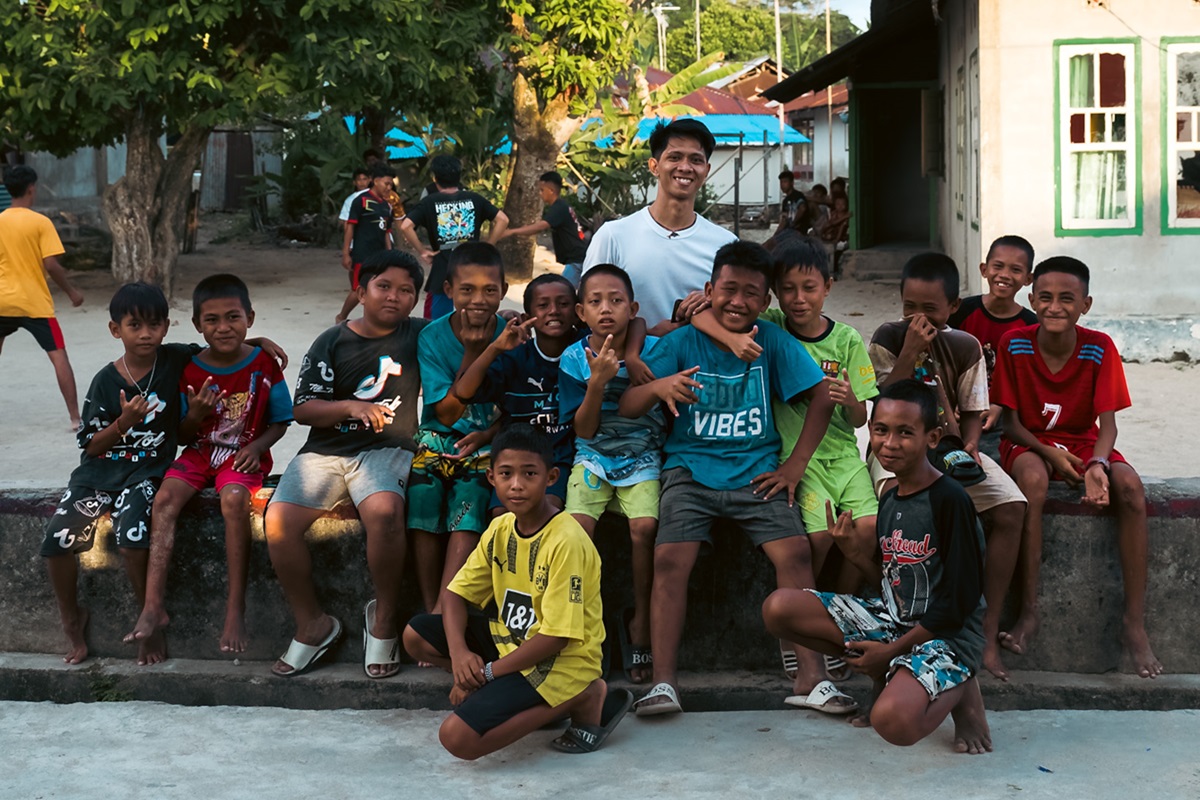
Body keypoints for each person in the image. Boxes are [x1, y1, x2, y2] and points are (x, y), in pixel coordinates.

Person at [618, 240, 836, 715]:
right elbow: (628, 405)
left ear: (766, 301)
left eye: (751, 293)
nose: (738, 301)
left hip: (758, 474)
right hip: (689, 472)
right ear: (708, 290)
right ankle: (663, 682)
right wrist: (658, 386)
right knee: (671, 559)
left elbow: (822, 397)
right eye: (728, 289)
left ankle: (812, 678)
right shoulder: (681, 342)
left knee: (795, 550)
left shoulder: (772, 342)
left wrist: (794, 466)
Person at [762, 380, 992, 755]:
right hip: (895, 622)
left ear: (932, 437)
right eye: (881, 430)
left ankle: (963, 688)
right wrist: (854, 555)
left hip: (947, 635)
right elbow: (891, 586)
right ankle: (891, 673)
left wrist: (888, 654)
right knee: (779, 609)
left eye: (905, 432)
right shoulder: (890, 497)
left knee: (894, 723)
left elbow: (960, 601)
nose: (890, 443)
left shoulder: (950, 500)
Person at [692, 237, 878, 689]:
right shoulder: (769, 324)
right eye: (789, 289)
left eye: (809, 288)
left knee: (866, 533)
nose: (799, 299)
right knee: (814, 539)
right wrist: (716, 319)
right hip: (797, 459)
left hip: (843, 457)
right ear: (775, 294)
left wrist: (851, 401)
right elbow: (706, 315)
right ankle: (800, 630)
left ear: (828, 288)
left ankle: (841, 620)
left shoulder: (848, 339)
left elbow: (861, 416)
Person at [402, 424, 631, 759]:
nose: (517, 485)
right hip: (510, 642)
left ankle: (581, 696)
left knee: (457, 739)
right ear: (491, 477)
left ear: (551, 477)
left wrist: (488, 673)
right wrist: (461, 658)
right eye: (506, 474)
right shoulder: (500, 527)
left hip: (560, 661)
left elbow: (555, 638)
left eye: (529, 474)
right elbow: (454, 595)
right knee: (414, 635)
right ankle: (503, 691)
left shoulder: (566, 540)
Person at [992, 256, 1161, 679]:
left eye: (1067, 299)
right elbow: (1010, 422)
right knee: (1032, 481)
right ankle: (1029, 611)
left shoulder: (1098, 345)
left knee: (1131, 490)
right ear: (1031, 300)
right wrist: (1049, 453)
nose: (1054, 307)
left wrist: (1098, 464)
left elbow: (1108, 425)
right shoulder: (1014, 343)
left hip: (1086, 445)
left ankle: (1134, 624)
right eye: (1045, 298)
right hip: (1029, 444)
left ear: (1085, 304)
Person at [264, 251, 426, 679]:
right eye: (383, 286)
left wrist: (503, 317)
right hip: (325, 451)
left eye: (406, 290)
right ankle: (312, 623)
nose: (394, 297)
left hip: (386, 449)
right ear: (361, 292)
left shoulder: (419, 335)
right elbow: (304, 409)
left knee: (386, 513)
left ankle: (385, 616)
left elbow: (464, 334)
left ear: (415, 300)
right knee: (277, 522)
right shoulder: (333, 340)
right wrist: (350, 406)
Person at [868, 252, 1027, 681]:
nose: (917, 317)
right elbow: (884, 400)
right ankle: (898, 628)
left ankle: (986, 628)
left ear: (953, 307)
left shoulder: (964, 344)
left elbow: (973, 408)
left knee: (1012, 506)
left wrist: (972, 444)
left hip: (950, 447)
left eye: (930, 310)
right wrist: (912, 349)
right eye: (909, 308)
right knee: (897, 509)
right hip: (897, 448)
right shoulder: (887, 337)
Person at [122, 274, 292, 657]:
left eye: (233, 317)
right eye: (211, 320)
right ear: (198, 326)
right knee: (164, 501)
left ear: (249, 316)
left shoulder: (263, 363)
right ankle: (152, 605)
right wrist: (195, 415)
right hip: (199, 453)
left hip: (244, 453)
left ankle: (235, 608)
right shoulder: (190, 368)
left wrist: (261, 445)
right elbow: (183, 436)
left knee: (233, 500)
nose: (223, 327)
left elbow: (282, 420)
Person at [559, 264, 667, 684]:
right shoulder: (574, 358)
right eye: (596, 302)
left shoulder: (653, 351)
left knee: (645, 528)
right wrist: (597, 384)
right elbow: (583, 430)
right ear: (581, 312)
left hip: (643, 455)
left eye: (616, 300)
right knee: (575, 531)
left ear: (632, 307)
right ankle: (582, 624)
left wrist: (633, 355)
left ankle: (641, 619)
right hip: (592, 456)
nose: (607, 309)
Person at [408, 243, 506, 616]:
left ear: (504, 290)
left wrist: (488, 435)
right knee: (422, 497)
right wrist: (472, 351)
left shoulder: (512, 336)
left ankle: (443, 611)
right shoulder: (432, 338)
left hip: (490, 441)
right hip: (438, 437)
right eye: (467, 290)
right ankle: (429, 598)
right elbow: (446, 415)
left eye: (489, 290)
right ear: (448, 289)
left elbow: (518, 407)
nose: (478, 300)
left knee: (471, 500)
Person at [581, 119, 736, 335]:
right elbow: (590, 311)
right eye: (674, 157)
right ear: (654, 166)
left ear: (706, 170)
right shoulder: (613, 236)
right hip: (627, 367)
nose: (685, 167)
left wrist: (712, 300)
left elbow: (737, 310)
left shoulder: (726, 244)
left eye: (696, 160)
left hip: (699, 367)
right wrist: (649, 336)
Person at [451, 274, 580, 514]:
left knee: (548, 511)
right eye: (542, 306)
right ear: (527, 315)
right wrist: (495, 347)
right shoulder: (515, 357)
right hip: (516, 456)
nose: (553, 311)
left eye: (563, 304)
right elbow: (463, 392)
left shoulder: (586, 349)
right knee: (502, 516)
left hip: (561, 456)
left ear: (577, 311)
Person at [0, 165, 85, 430]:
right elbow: (51, 265)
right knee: (59, 357)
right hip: (35, 303)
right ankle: (75, 419)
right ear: (31, 189)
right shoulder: (40, 223)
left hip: (2, 301)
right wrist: (71, 291)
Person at [398, 154, 509, 320]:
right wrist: (488, 246)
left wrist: (422, 251)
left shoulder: (429, 202)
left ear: (435, 179)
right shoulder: (475, 198)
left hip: (444, 265)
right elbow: (503, 219)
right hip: (473, 263)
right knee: (474, 313)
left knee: (437, 322)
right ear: (459, 177)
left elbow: (406, 226)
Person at [947, 235, 1037, 438]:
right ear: (984, 270)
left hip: (1004, 415)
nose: (1004, 275)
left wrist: (1000, 406)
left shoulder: (1032, 326)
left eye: (1015, 270)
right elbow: (942, 361)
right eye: (998, 266)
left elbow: (1028, 380)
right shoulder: (961, 312)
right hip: (956, 407)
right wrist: (950, 402)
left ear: (1027, 279)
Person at [500, 172, 588, 287]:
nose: (540, 194)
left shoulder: (559, 208)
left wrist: (512, 231)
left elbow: (541, 226)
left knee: (564, 291)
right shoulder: (562, 206)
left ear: (551, 190)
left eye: (542, 190)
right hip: (577, 258)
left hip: (577, 259)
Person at [338, 163, 396, 323]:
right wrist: (345, 252)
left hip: (381, 254)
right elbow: (350, 227)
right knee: (358, 288)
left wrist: (389, 253)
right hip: (362, 253)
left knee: (379, 287)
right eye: (386, 183)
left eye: (391, 184)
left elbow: (387, 232)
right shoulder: (360, 201)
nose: (389, 187)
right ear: (375, 181)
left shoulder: (386, 206)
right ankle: (342, 316)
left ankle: (373, 318)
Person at [775, 169, 807, 233]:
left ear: (792, 183)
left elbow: (803, 208)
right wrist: (776, 234)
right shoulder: (785, 201)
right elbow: (784, 220)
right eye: (781, 182)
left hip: (798, 232)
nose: (782, 185)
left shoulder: (798, 195)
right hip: (789, 232)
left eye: (785, 182)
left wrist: (794, 222)